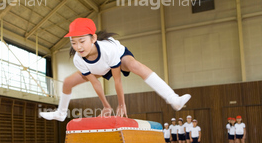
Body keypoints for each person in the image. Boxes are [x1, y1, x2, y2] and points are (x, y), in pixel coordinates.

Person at [39, 18, 191, 121]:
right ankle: (61, 113)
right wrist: (106, 105)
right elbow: (96, 84)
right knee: (67, 82)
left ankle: (173, 99)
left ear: (93, 38)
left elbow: (117, 79)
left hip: (117, 58)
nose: (78, 47)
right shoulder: (78, 59)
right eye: (73, 42)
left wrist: (121, 103)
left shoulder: (109, 50)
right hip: (98, 68)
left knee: (134, 65)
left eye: (82, 41)